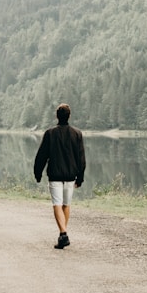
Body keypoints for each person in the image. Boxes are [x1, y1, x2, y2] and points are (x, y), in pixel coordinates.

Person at [33, 103, 86, 249]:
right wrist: (80, 177)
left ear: (57, 116)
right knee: (66, 204)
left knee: (57, 203)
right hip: (70, 175)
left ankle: (63, 233)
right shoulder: (77, 134)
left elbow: (41, 156)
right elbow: (81, 158)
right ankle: (63, 234)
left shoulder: (50, 133)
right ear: (69, 115)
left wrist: (38, 173)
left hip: (55, 174)